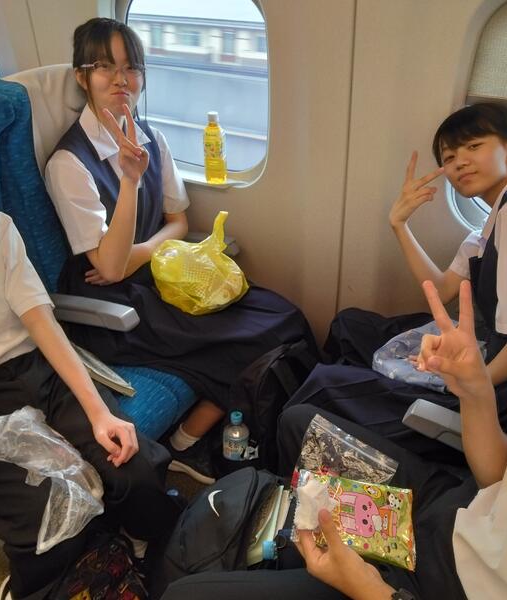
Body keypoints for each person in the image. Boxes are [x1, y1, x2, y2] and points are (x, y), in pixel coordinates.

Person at [161, 134, 507, 599]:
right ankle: (275, 543)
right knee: (299, 420)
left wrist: (369, 589)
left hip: (446, 586)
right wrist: (474, 388)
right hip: (465, 516)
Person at [0, 88, 182, 600]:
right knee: (48, 517)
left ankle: (155, 554)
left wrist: (100, 414)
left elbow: (43, 325)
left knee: (133, 469)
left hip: (34, 370)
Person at [44, 18, 315, 484]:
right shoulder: (69, 163)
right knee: (253, 339)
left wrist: (145, 250)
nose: (121, 80)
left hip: (159, 272)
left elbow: (179, 223)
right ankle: (188, 444)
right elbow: (108, 267)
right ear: (81, 77)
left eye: (131, 68)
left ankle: (200, 435)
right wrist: (130, 184)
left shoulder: (152, 137)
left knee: (284, 317)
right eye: (105, 67)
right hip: (111, 305)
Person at [287, 104, 507, 462]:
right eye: (449, 157)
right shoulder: (496, 216)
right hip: (490, 357)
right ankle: (365, 395)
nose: (459, 163)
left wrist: (468, 385)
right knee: (350, 325)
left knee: (321, 388)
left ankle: (351, 405)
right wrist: (399, 224)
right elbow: (442, 289)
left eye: (473, 146)